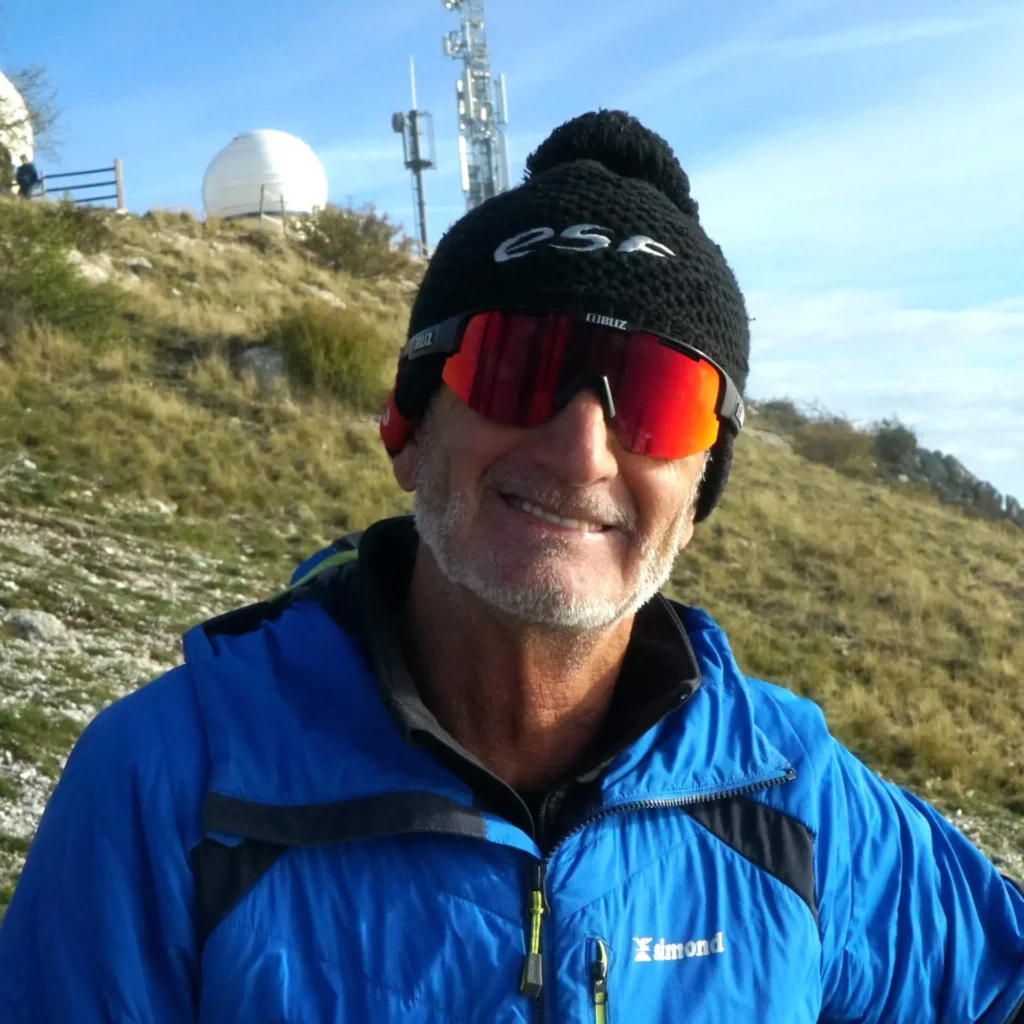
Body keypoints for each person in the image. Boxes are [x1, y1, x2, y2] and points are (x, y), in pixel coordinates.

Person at [0, 109, 1022, 1022]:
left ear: (695, 499)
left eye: (658, 401)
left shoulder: (794, 794)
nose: (582, 451)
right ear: (408, 430)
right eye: (517, 367)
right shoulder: (170, 783)